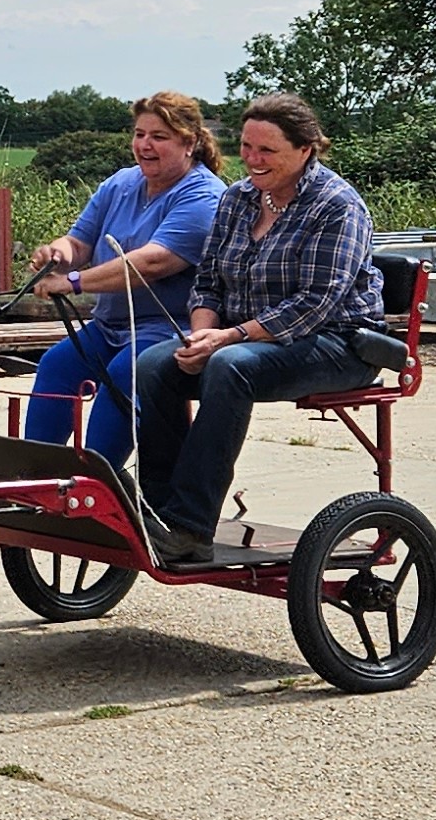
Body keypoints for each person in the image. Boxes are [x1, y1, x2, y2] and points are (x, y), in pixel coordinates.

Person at [134, 92, 383, 561]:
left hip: (338, 343)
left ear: (305, 149)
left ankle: (189, 525)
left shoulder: (336, 206)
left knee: (230, 367)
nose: (252, 159)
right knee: (151, 364)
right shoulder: (238, 199)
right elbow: (207, 281)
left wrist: (227, 338)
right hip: (245, 337)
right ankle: (157, 506)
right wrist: (201, 332)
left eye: (266, 150)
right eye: (247, 147)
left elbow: (315, 304)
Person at [22, 91, 227, 462]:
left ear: (189, 143)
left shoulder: (204, 196)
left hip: (169, 328)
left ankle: (100, 485)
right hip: (111, 325)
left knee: (123, 373)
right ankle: (35, 476)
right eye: (139, 134)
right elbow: (79, 242)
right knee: (56, 364)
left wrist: (72, 283)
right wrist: (57, 255)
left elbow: (151, 263)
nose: (145, 145)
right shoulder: (119, 184)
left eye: (159, 137)